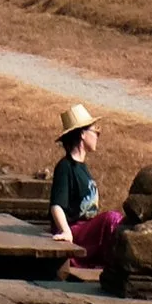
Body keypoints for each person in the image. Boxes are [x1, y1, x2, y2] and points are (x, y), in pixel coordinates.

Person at [47, 101, 124, 262]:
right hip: (75, 231)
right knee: (111, 219)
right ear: (82, 134)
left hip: (87, 229)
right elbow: (57, 205)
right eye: (95, 131)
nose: (97, 135)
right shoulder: (65, 167)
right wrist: (66, 232)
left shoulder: (83, 168)